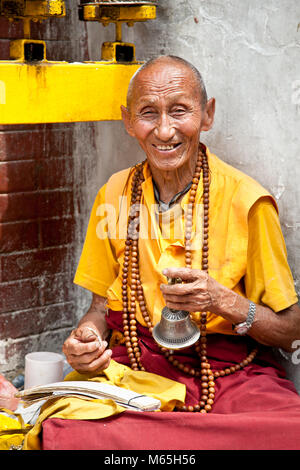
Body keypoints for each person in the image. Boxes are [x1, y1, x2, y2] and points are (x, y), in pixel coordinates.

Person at [60, 55, 300, 448]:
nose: (165, 130)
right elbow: (101, 307)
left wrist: (224, 301)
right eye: (148, 113)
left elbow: (293, 332)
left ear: (207, 115)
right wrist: (86, 337)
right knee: (64, 429)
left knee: (290, 430)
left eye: (180, 111)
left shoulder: (247, 201)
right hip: (134, 367)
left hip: (225, 374)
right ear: (127, 120)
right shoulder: (115, 194)